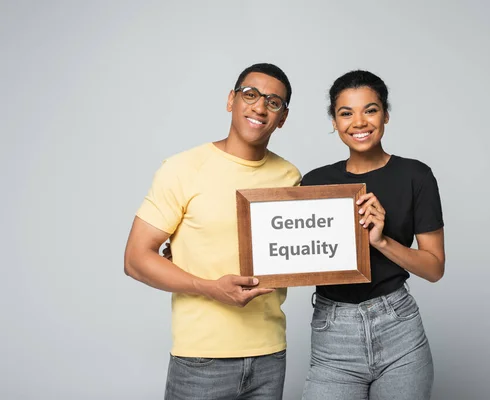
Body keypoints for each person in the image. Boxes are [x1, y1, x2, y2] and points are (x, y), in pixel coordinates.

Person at [124, 63, 301, 400]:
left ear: (283, 117)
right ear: (231, 100)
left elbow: (298, 253)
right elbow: (135, 259)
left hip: (270, 356)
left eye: (273, 102)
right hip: (201, 358)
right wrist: (208, 287)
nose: (260, 107)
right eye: (251, 95)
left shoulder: (290, 176)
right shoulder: (182, 168)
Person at [300, 70, 445, 400]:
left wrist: (381, 240)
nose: (359, 122)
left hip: (398, 328)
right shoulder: (314, 183)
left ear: (386, 115)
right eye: (346, 113)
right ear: (335, 122)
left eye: (370, 109)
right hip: (332, 331)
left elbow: (434, 268)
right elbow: (288, 250)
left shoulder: (416, 176)